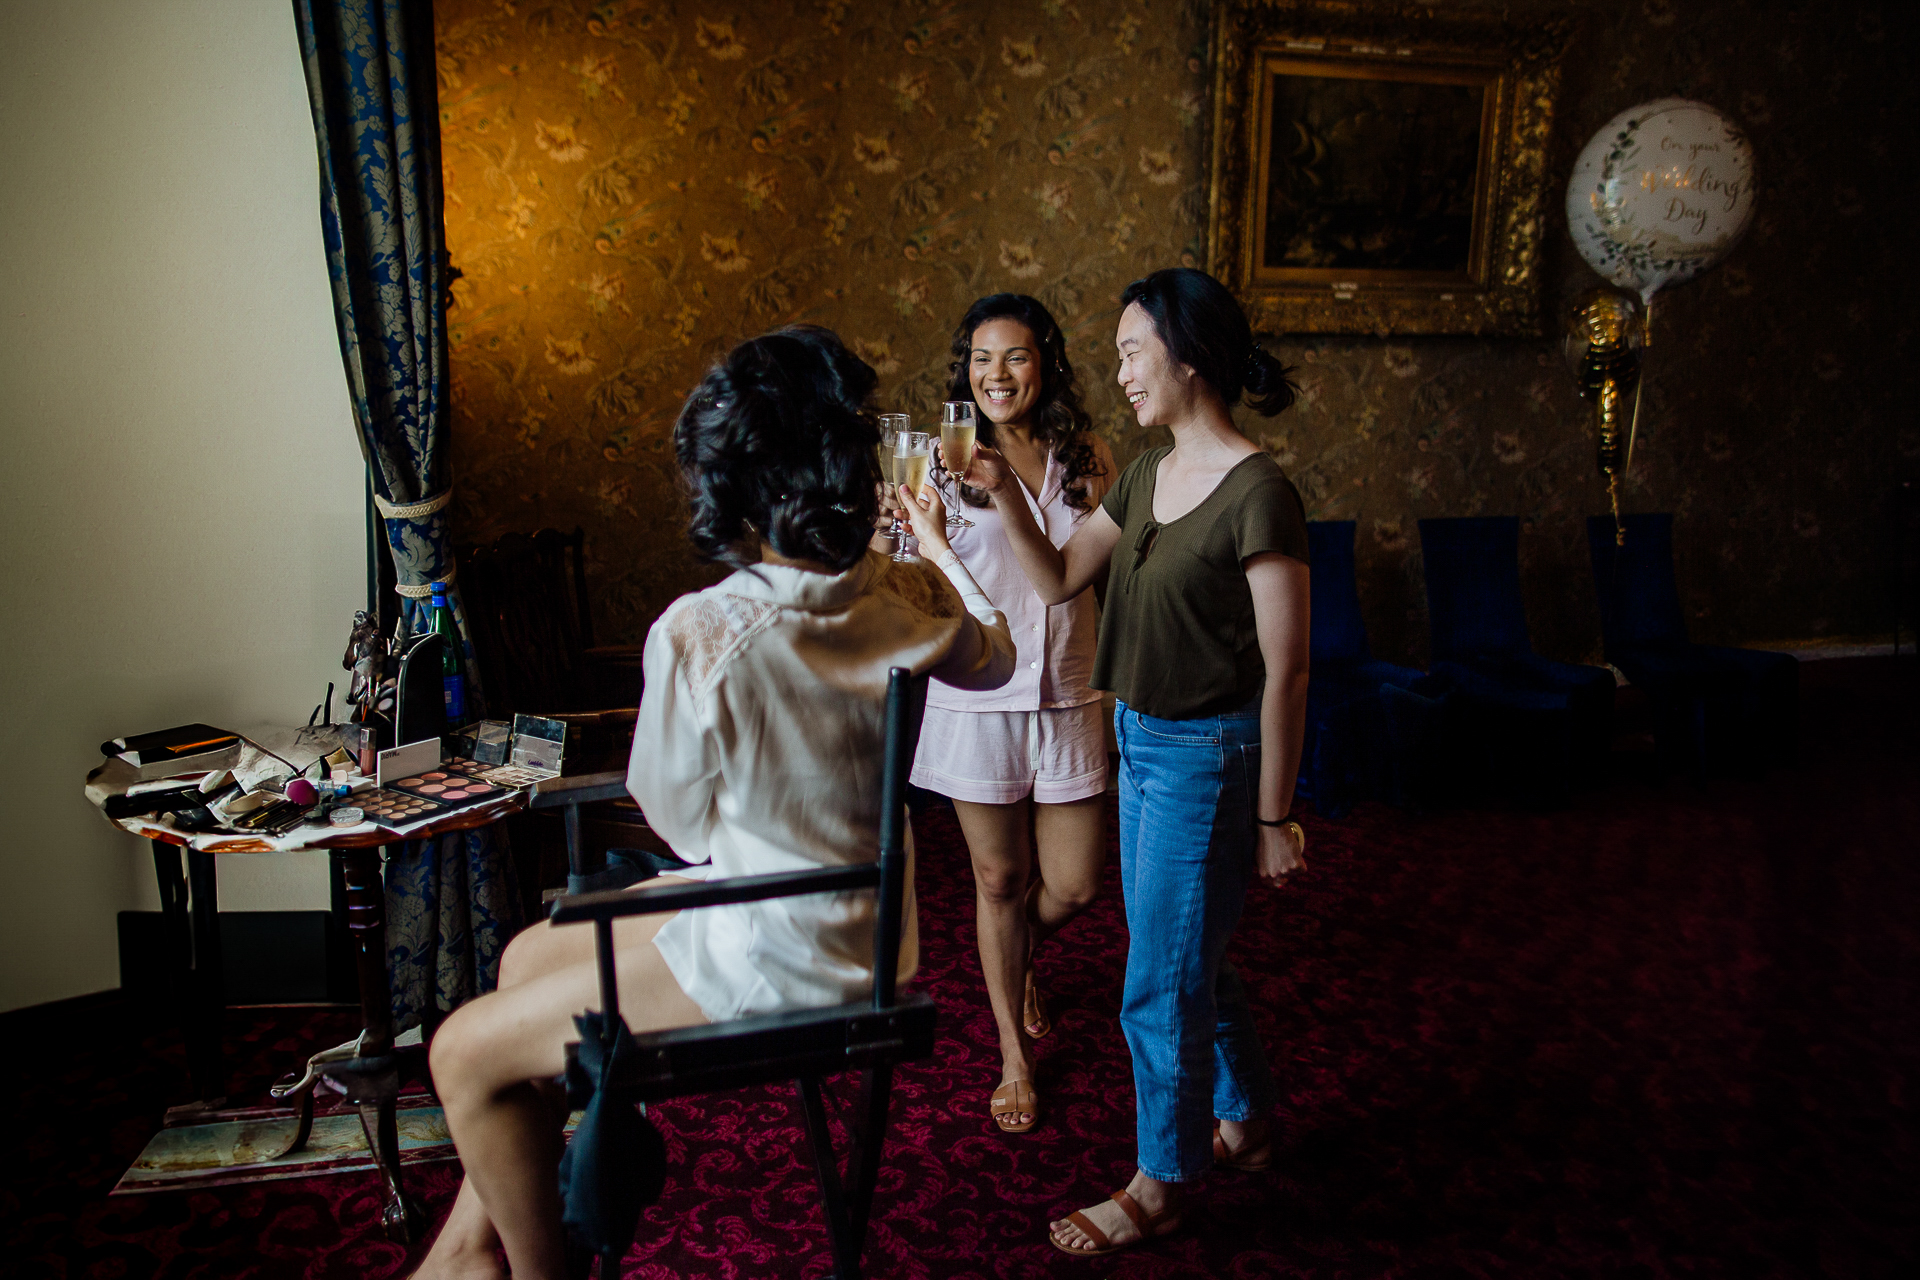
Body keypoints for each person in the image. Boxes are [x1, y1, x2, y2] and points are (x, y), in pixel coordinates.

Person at [413, 326, 1013, 1280]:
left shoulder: (703, 630)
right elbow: (998, 651)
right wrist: (936, 556)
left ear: (731, 488)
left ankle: (527, 1272)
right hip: (869, 931)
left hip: (773, 945)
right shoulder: (904, 598)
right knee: (528, 956)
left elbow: (677, 822)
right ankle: (467, 1249)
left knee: (460, 1054)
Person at [945, 268, 1311, 1257]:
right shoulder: (1147, 472)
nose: (1121, 371)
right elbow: (1061, 576)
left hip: (1210, 755)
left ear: (1189, 356)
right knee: (1188, 955)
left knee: (1154, 980)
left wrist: (1275, 816)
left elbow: (1287, 670)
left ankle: (1163, 1178)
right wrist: (1005, 493)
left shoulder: (1259, 491)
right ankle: (1247, 1116)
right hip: (1138, 739)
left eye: (1132, 351)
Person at [905, 293, 1116, 1135]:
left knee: (1073, 885)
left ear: (1046, 364)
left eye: (1017, 357)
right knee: (997, 879)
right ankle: (1012, 1057)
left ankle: (1017, 954)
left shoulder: (1087, 453)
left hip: (1071, 687)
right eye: (983, 360)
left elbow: (1091, 569)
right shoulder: (938, 458)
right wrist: (899, 530)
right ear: (966, 370)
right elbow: (910, 572)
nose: (998, 375)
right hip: (978, 692)